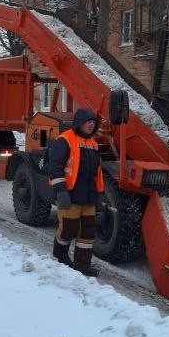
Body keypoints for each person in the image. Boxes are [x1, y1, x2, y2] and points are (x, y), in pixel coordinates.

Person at [48, 107, 105, 277]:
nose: (91, 125)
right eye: (88, 122)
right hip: (70, 195)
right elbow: (55, 168)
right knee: (69, 229)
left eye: (93, 122)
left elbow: (98, 173)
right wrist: (61, 192)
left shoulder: (93, 145)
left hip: (89, 197)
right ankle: (60, 254)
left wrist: (99, 196)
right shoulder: (64, 140)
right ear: (80, 123)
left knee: (88, 231)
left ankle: (82, 264)